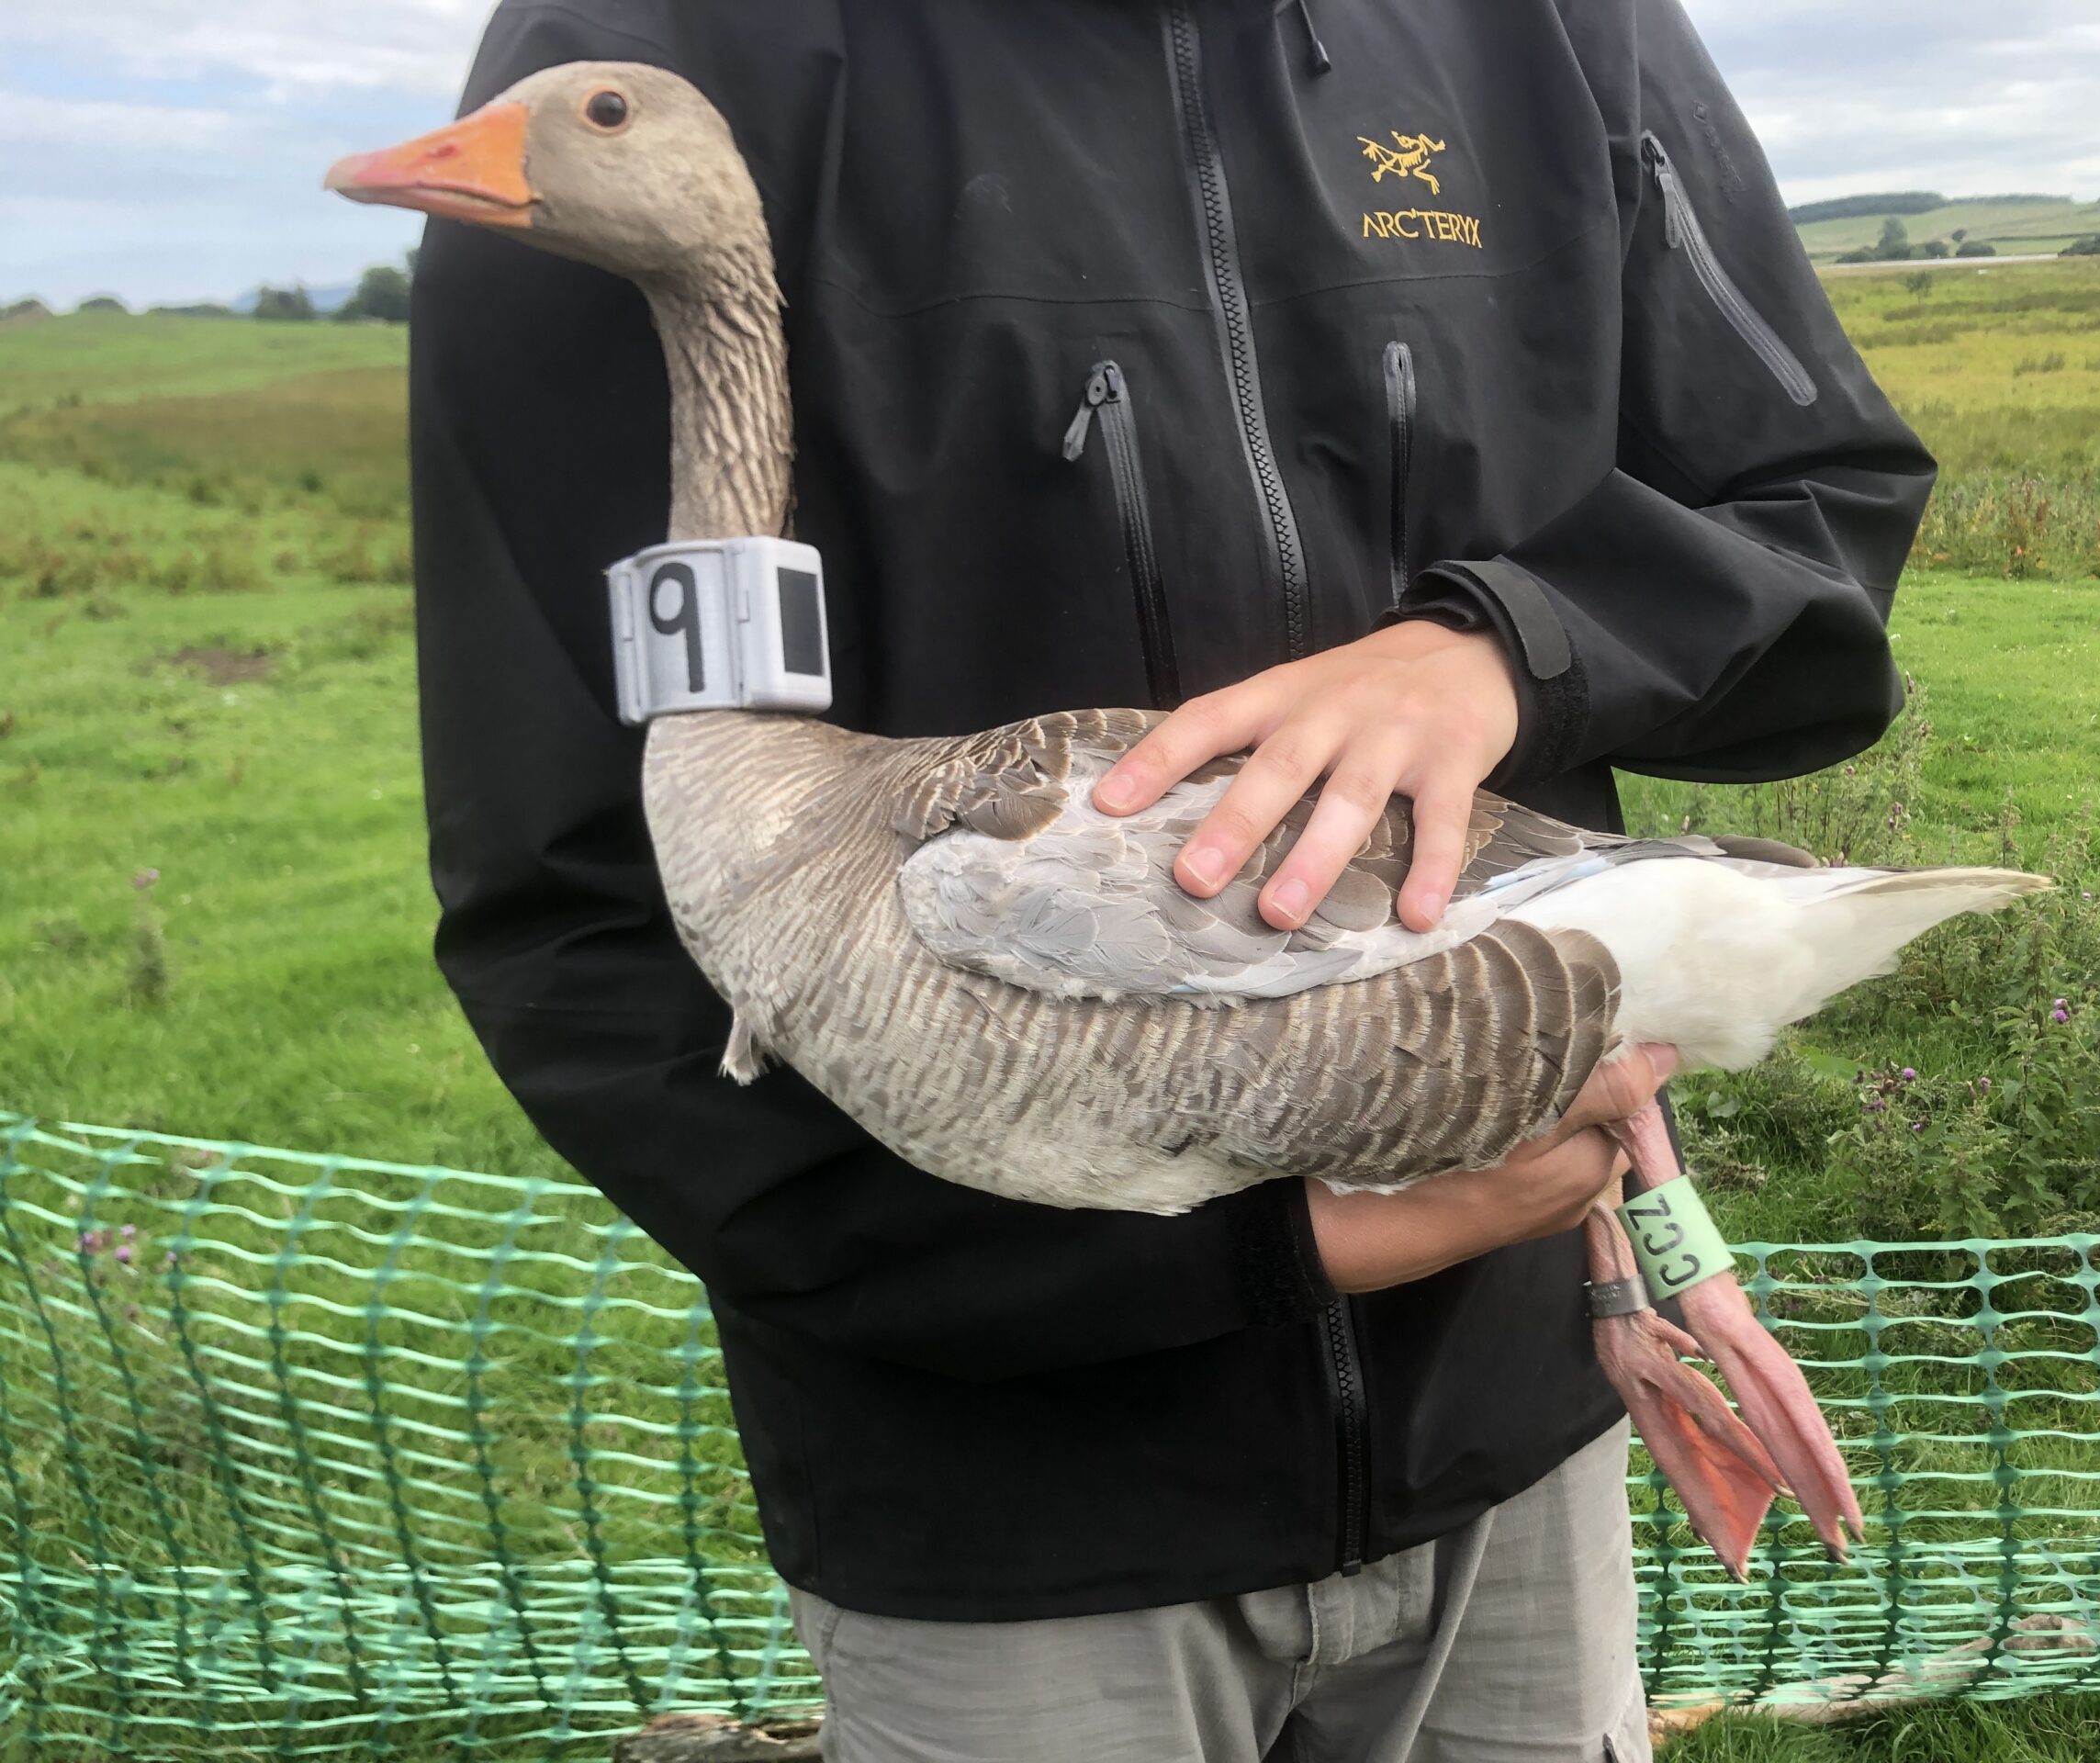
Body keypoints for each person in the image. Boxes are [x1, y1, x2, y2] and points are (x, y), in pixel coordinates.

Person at [410, 2, 1932, 1757]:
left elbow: (1812, 507)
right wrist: (1236, 1268)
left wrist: (1507, 650)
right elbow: (578, 897)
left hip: (1511, 1428)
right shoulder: (655, 52)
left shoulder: (1549, 23)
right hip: (1013, 1512)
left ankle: (1663, 1271)